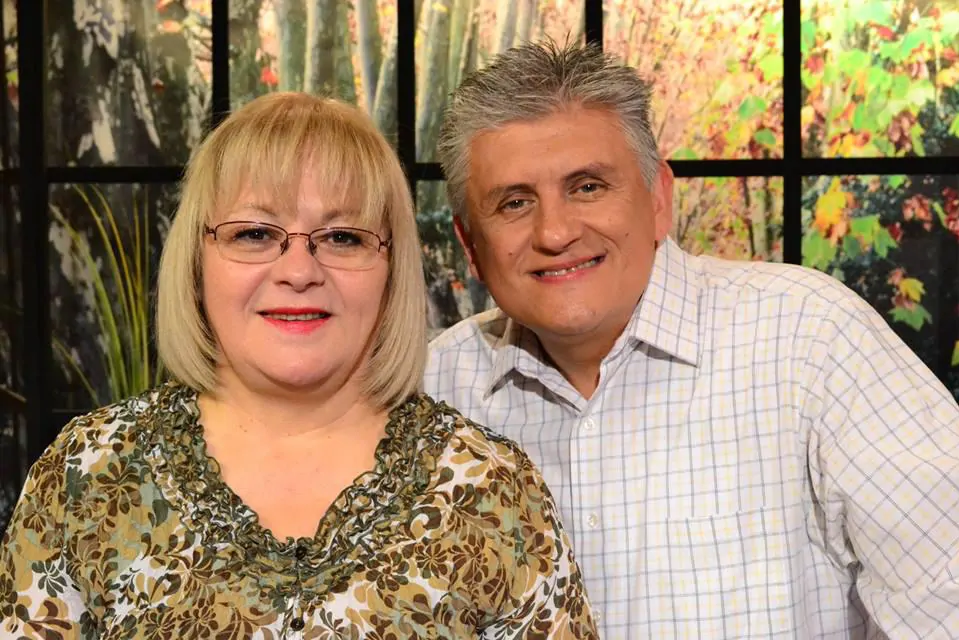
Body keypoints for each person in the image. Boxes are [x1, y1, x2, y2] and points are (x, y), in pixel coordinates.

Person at [0, 93, 598, 638]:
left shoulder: (491, 489)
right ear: (196, 261)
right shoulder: (89, 473)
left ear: (392, 272)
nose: (298, 271)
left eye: (343, 238)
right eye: (254, 233)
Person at [425, 40, 959, 639]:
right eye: (515, 202)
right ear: (471, 245)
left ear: (659, 198)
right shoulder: (433, 390)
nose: (555, 232)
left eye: (588, 187)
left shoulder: (809, 337)